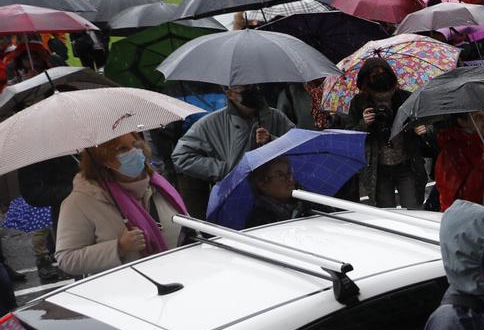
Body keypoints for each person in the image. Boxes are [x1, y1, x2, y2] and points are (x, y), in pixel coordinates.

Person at [55, 131, 186, 276]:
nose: (134, 152)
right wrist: (119, 248)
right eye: (122, 149)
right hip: (125, 287)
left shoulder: (160, 186)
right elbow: (67, 259)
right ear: (104, 160)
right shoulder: (80, 201)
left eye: (136, 145)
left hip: (178, 276)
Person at [170, 84, 294, 219]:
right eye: (244, 88)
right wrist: (225, 169)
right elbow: (181, 156)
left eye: (253, 86)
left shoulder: (276, 117)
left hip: (277, 200)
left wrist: (272, 140)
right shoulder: (211, 123)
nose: (251, 91)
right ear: (230, 94)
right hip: (235, 201)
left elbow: (298, 145)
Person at [346, 57, 422, 209]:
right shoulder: (359, 102)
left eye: (382, 72)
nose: (379, 76)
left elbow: (421, 121)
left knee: (413, 208)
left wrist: (418, 127)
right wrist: (364, 124)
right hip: (378, 168)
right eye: (374, 74)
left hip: (406, 163)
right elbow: (350, 134)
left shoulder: (404, 97)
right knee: (387, 212)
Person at [422, 113, 484, 216]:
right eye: (477, 117)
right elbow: (458, 203)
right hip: (475, 221)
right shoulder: (451, 154)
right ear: (462, 122)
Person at [242, 155, 305, 227]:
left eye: (289, 172)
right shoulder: (259, 223)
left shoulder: (304, 200)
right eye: (280, 175)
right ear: (262, 184)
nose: (289, 179)